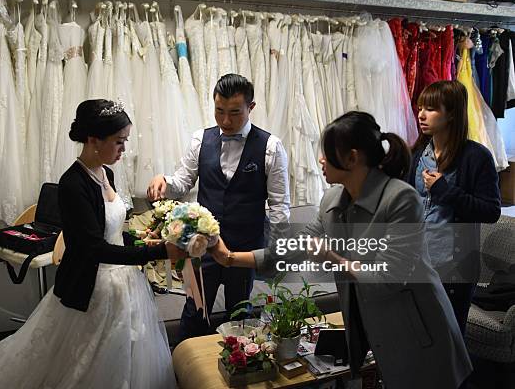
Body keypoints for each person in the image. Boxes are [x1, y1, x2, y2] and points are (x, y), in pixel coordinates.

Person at [210, 111, 473, 389]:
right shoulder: (333, 199)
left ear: (352, 158)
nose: (321, 159)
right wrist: (229, 258)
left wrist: (334, 258)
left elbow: (389, 278)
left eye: (327, 152)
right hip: (380, 329)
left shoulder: (401, 199)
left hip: (420, 332)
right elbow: (293, 248)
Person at [0, 99, 185, 388]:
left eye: (125, 141)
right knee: (85, 359)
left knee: (124, 352)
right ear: (93, 139)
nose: (124, 149)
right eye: (119, 142)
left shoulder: (108, 173)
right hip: (93, 285)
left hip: (124, 280)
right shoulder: (72, 184)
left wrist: (139, 238)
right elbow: (92, 248)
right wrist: (157, 251)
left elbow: (111, 230)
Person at [147, 73, 290, 341]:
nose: (225, 121)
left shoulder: (271, 147)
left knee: (240, 317)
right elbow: (182, 181)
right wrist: (163, 180)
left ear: (251, 108)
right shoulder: (200, 140)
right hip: (202, 246)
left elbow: (280, 208)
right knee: (194, 313)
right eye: (219, 111)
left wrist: (274, 254)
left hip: (245, 247)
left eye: (235, 113)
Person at [408, 80, 501, 336]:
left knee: (449, 339)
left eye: (431, 109)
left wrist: (445, 191)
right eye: (420, 108)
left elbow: (490, 211)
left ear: (451, 114)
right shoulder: (418, 153)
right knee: (416, 336)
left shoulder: (476, 157)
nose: (422, 115)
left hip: (452, 267)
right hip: (415, 262)